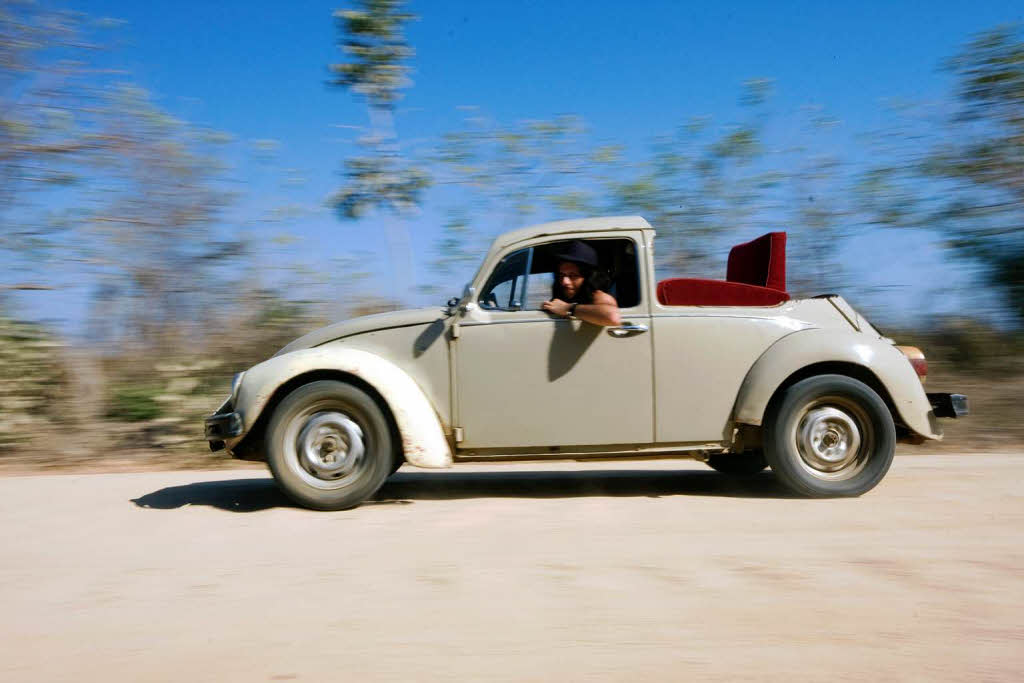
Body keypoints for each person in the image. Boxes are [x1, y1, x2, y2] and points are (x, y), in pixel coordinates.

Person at [541, 240, 621, 326]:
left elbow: (612, 317)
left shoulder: (598, 295)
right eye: (561, 275)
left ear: (588, 278)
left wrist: (568, 308)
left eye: (573, 275)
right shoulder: (563, 295)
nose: (565, 282)